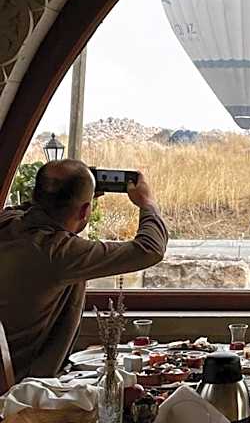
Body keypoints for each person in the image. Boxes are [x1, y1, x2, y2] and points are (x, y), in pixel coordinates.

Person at [0, 160, 168, 382]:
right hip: (23, 389)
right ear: (85, 210)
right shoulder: (59, 253)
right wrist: (147, 203)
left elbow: (32, 210)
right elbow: (149, 250)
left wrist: (77, 197)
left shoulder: (7, 222)